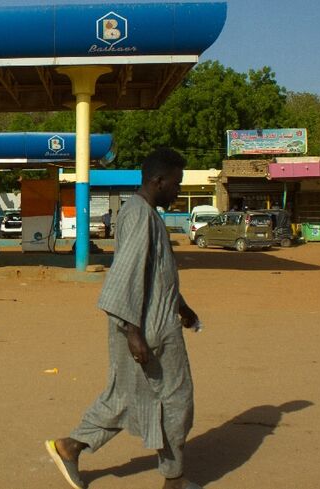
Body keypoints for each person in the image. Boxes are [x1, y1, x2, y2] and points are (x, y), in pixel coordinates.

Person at [45, 148, 203, 489]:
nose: (179, 190)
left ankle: (70, 447)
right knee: (177, 401)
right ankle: (173, 481)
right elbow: (127, 275)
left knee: (122, 398)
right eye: (177, 183)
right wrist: (134, 333)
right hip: (145, 331)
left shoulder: (146, 213)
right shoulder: (139, 215)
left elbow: (156, 273)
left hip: (154, 326)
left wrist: (181, 307)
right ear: (158, 181)